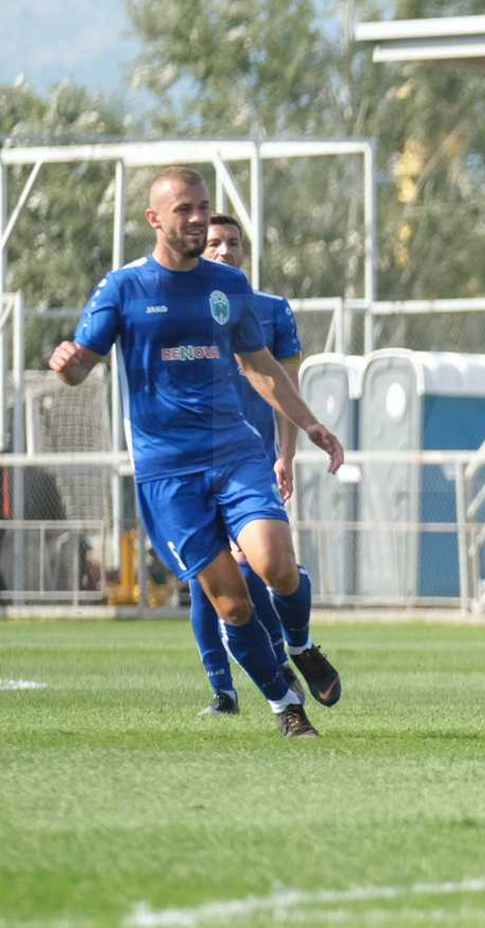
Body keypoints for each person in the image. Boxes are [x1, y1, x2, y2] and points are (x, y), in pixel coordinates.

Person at [50, 166, 346, 739]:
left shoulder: (227, 287)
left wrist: (311, 425)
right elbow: (84, 362)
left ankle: (303, 646)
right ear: (154, 219)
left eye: (202, 207)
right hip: (166, 472)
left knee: (277, 567)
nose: (196, 219)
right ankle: (284, 703)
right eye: (184, 209)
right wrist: (68, 366)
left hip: (233, 453)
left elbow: (261, 370)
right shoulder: (123, 287)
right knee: (232, 606)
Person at [187, 214, 308, 716]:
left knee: (260, 565)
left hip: (251, 461)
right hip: (194, 460)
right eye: (214, 241)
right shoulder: (182, 309)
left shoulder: (271, 311)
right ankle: (223, 690)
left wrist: (287, 454)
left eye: (232, 242)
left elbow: (288, 392)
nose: (223, 249)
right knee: (205, 575)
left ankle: (283, 658)